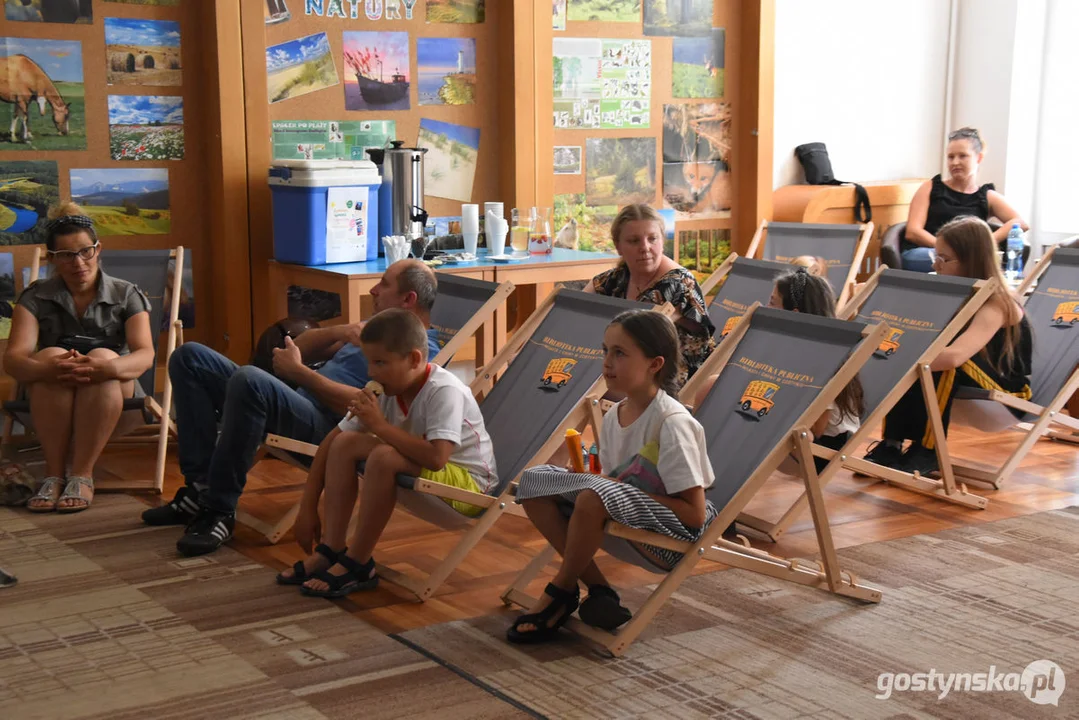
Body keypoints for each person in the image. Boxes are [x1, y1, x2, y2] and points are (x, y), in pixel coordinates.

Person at [142, 260, 441, 555]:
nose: (374, 289)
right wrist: (342, 331)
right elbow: (299, 345)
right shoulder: (380, 332)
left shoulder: (418, 353)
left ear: (408, 298)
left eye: (384, 283)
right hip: (298, 401)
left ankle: (219, 510)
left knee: (250, 380)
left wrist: (300, 374)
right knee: (189, 356)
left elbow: (369, 407)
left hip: (332, 431)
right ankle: (199, 489)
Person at [507, 310, 717, 643]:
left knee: (594, 495)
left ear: (654, 364)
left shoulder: (673, 424)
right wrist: (598, 484)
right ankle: (599, 589)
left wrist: (606, 488)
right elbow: (611, 484)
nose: (607, 362)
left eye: (619, 353)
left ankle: (560, 591)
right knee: (534, 481)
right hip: (622, 515)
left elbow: (693, 515)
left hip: (668, 537)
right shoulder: (613, 415)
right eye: (605, 350)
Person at [276, 309, 497, 594]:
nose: (370, 373)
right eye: (369, 362)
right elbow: (332, 442)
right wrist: (307, 508)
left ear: (415, 359)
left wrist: (378, 425)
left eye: (380, 362)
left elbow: (437, 458)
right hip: (425, 472)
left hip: (471, 488)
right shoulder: (387, 389)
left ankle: (358, 562)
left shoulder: (444, 391)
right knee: (346, 444)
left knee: (383, 455)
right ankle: (331, 549)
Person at [5, 203, 154, 513]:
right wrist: (48, 367)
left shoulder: (127, 294)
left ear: (98, 250)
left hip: (116, 399)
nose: (79, 262)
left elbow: (145, 355)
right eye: (67, 255)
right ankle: (54, 474)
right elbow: (14, 360)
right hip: (50, 395)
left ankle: (82, 475)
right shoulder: (35, 297)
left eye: (86, 251)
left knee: (102, 356)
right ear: (52, 259)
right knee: (50, 357)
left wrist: (106, 367)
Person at [865, 217, 1032, 474]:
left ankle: (928, 450)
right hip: (967, 381)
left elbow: (956, 356)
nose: (935, 264)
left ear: (971, 260)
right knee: (917, 354)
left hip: (1009, 393)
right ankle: (891, 443)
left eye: (944, 258)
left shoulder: (997, 302)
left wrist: (902, 359)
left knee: (937, 362)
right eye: (935, 255)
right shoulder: (953, 294)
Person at [694, 269, 864, 475]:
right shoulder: (787, 348)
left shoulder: (821, 358)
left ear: (793, 315)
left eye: (773, 303)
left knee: (765, 419)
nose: (766, 308)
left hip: (818, 451)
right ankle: (700, 467)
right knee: (711, 387)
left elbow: (817, 429)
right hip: (787, 432)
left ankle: (702, 472)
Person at [587, 204, 715, 387]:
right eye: (634, 241)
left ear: (662, 241)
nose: (645, 247)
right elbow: (575, 315)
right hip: (631, 368)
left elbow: (634, 340)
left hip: (671, 378)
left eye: (652, 239)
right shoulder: (617, 278)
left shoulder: (677, 283)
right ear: (618, 246)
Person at [901, 127, 1028, 273]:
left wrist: (986, 242)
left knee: (968, 261)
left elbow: (1021, 223)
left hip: (965, 256)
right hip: (926, 252)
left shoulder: (987, 196)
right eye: (950, 157)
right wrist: (947, 250)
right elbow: (913, 232)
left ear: (978, 158)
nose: (955, 162)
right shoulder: (929, 187)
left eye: (962, 156)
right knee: (959, 262)